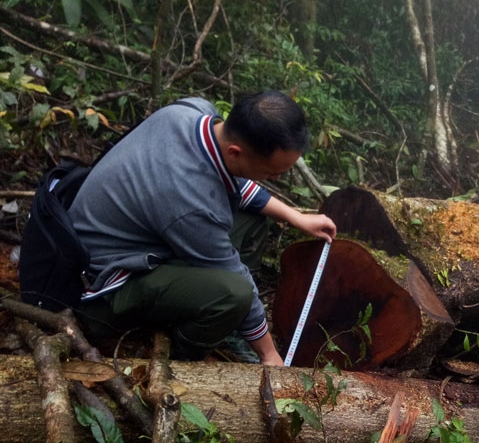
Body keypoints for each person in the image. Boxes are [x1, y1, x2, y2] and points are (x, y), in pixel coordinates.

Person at [69, 91, 336, 366]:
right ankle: (184, 354)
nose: (277, 178)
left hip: (134, 236)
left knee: (253, 221)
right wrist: (269, 354)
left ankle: (232, 325)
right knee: (235, 295)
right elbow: (236, 276)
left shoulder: (193, 111)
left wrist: (296, 216)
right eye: (272, 173)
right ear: (235, 152)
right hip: (105, 287)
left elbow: (232, 182)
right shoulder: (190, 204)